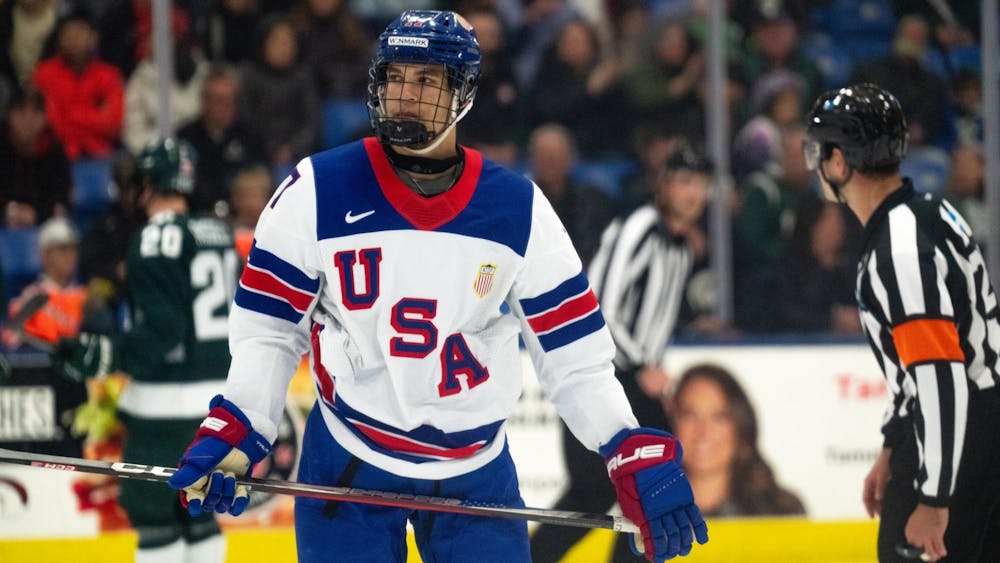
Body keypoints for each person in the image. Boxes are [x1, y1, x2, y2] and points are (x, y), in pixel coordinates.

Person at [165, 10, 708, 563]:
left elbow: (573, 357)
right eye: (396, 77)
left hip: (474, 475)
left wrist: (621, 442)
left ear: (464, 94)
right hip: (348, 463)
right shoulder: (314, 191)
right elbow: (270, 330)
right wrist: (241, 423)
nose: (405, 94)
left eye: (427, 81)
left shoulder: (519, 211)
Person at [804, 82, 1000, 562]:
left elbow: (940, 376)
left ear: (839, 161)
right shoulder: (929, 212)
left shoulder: (900, 249)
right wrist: (893, 447)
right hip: (971, 428)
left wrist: (935, 497)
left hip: (962, 438)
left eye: (819, 152)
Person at [51, 139, 238, 563]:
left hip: (164, 411)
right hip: (219, 408)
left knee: (153, 517)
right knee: (200, 514)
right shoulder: (217, 233)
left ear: (149, 184)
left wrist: (105, 355)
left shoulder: (154, 237)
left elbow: (165, 330)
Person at [531, 140, 713, 562]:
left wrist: (653, 368)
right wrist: (643, 365)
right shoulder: (641, 227)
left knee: (648, 495)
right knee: (596, 495)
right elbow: (603, 306)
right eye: (684, 181)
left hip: (637, 383)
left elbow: (655, 322)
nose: (693, 192)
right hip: (603, 380)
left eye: (701, 183)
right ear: (663, 186)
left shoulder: (681, 248)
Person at [670, 363, 805, 516]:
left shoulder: (781, 510)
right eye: (689, 416)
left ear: (740, 426)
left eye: (719, 417)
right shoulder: (644, 513)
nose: (703, 432)